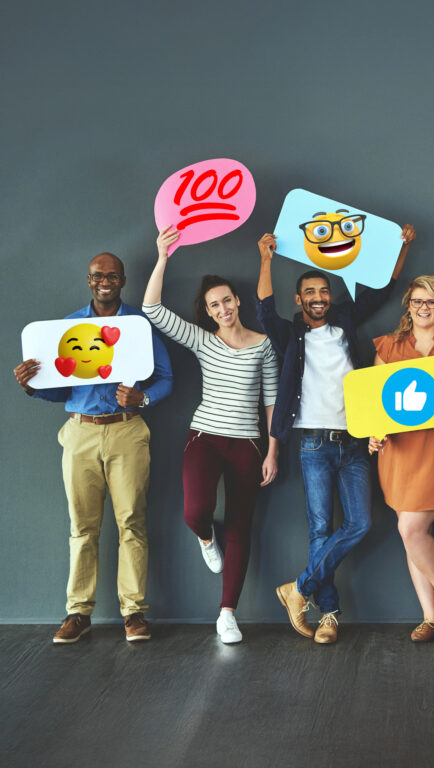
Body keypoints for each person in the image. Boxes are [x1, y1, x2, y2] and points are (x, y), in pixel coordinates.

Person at [256, 224, 415, 644]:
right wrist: (266, 260)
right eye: (310, 292)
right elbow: (265, 311)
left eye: (323, 291)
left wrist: (402, 247)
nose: (318, 298)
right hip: (312, 443)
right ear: (299, 299)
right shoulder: (290, 334)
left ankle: (298, 588)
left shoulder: (344, 320)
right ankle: (329, 615)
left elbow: (383, 288)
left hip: (355, 441)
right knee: (320, 529)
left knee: (360, 523)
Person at [13, 252, 173, 643]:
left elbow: (166, 378)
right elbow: (61, 390)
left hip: (127, 430)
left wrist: (143, 398)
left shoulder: (138, 326)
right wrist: (33, 387)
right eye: (98, 276)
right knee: (81, 526)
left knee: (131, 521)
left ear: (123, 281)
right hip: (80, 431)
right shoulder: (66, 329)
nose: (105, 282)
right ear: (89, 280)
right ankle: (78, 613)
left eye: (112, 276)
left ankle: (133, 612)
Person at [142, 226, 280, 643]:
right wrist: (162, 257)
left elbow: (272, 400)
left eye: (227, 301)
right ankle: (206, 537)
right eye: (214, 305)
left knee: (240, 525)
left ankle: (227, 614)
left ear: (238, 301)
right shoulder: (203, 340)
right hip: (205, 437)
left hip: (248, 444)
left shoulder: (264, 344)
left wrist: (273, 451)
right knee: (194, 511)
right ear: (208, 310)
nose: (222, 309)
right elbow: (152, 309)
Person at [368, 275, 434, 642]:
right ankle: (430, 617)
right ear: (408, 306)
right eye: (417, 301)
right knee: (410, 531)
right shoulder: (389, 346)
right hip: (399, 450)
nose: (424, 307)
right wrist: (374, 433)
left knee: (411, 530)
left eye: (431, 301)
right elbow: (376, 402)